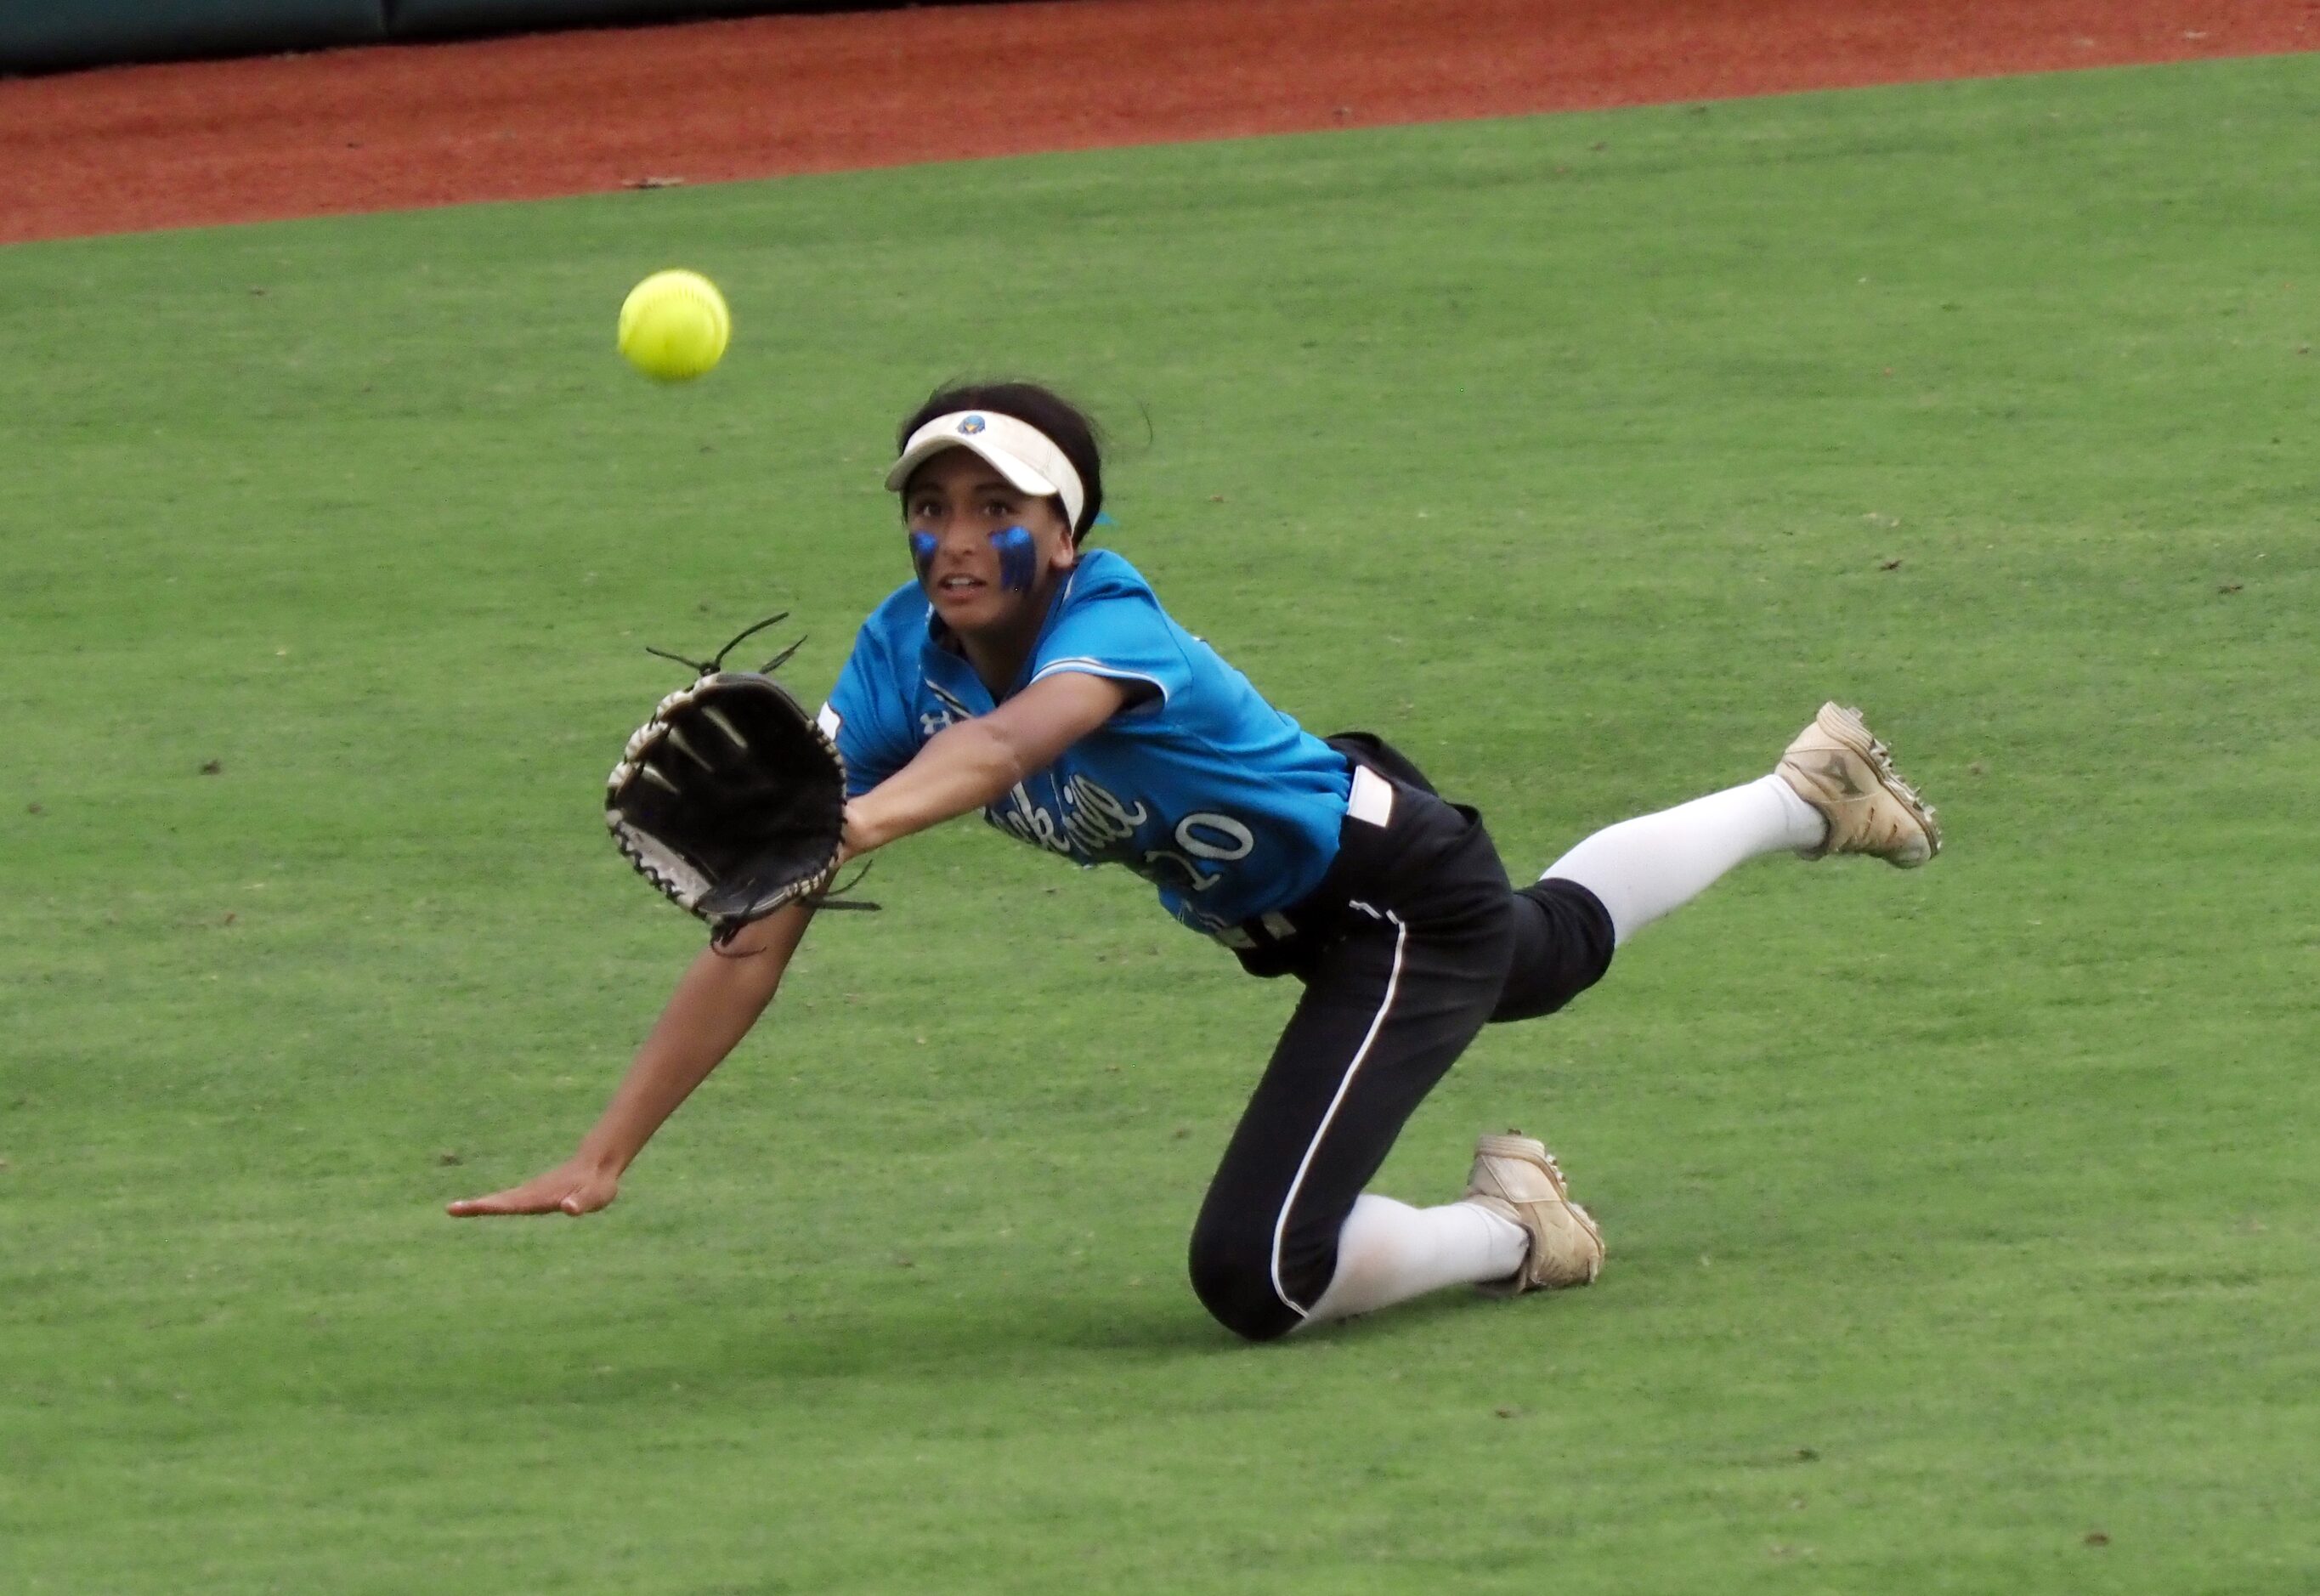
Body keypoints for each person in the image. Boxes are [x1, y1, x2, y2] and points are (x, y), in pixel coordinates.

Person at [449, 379, 1941, 1343]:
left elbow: (1006, 752)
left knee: (1260, 1275)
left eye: (996, 509)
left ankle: (1512, 1229)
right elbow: (764, 915)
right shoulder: (900, 653)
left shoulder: (1112, 620)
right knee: (1538, 950)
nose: (956, 539)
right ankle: (1804, 790)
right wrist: (605, 1151)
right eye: (930, 507)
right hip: (1308, 897)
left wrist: (836, 822)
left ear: (1068, 526)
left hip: (1386, 892)